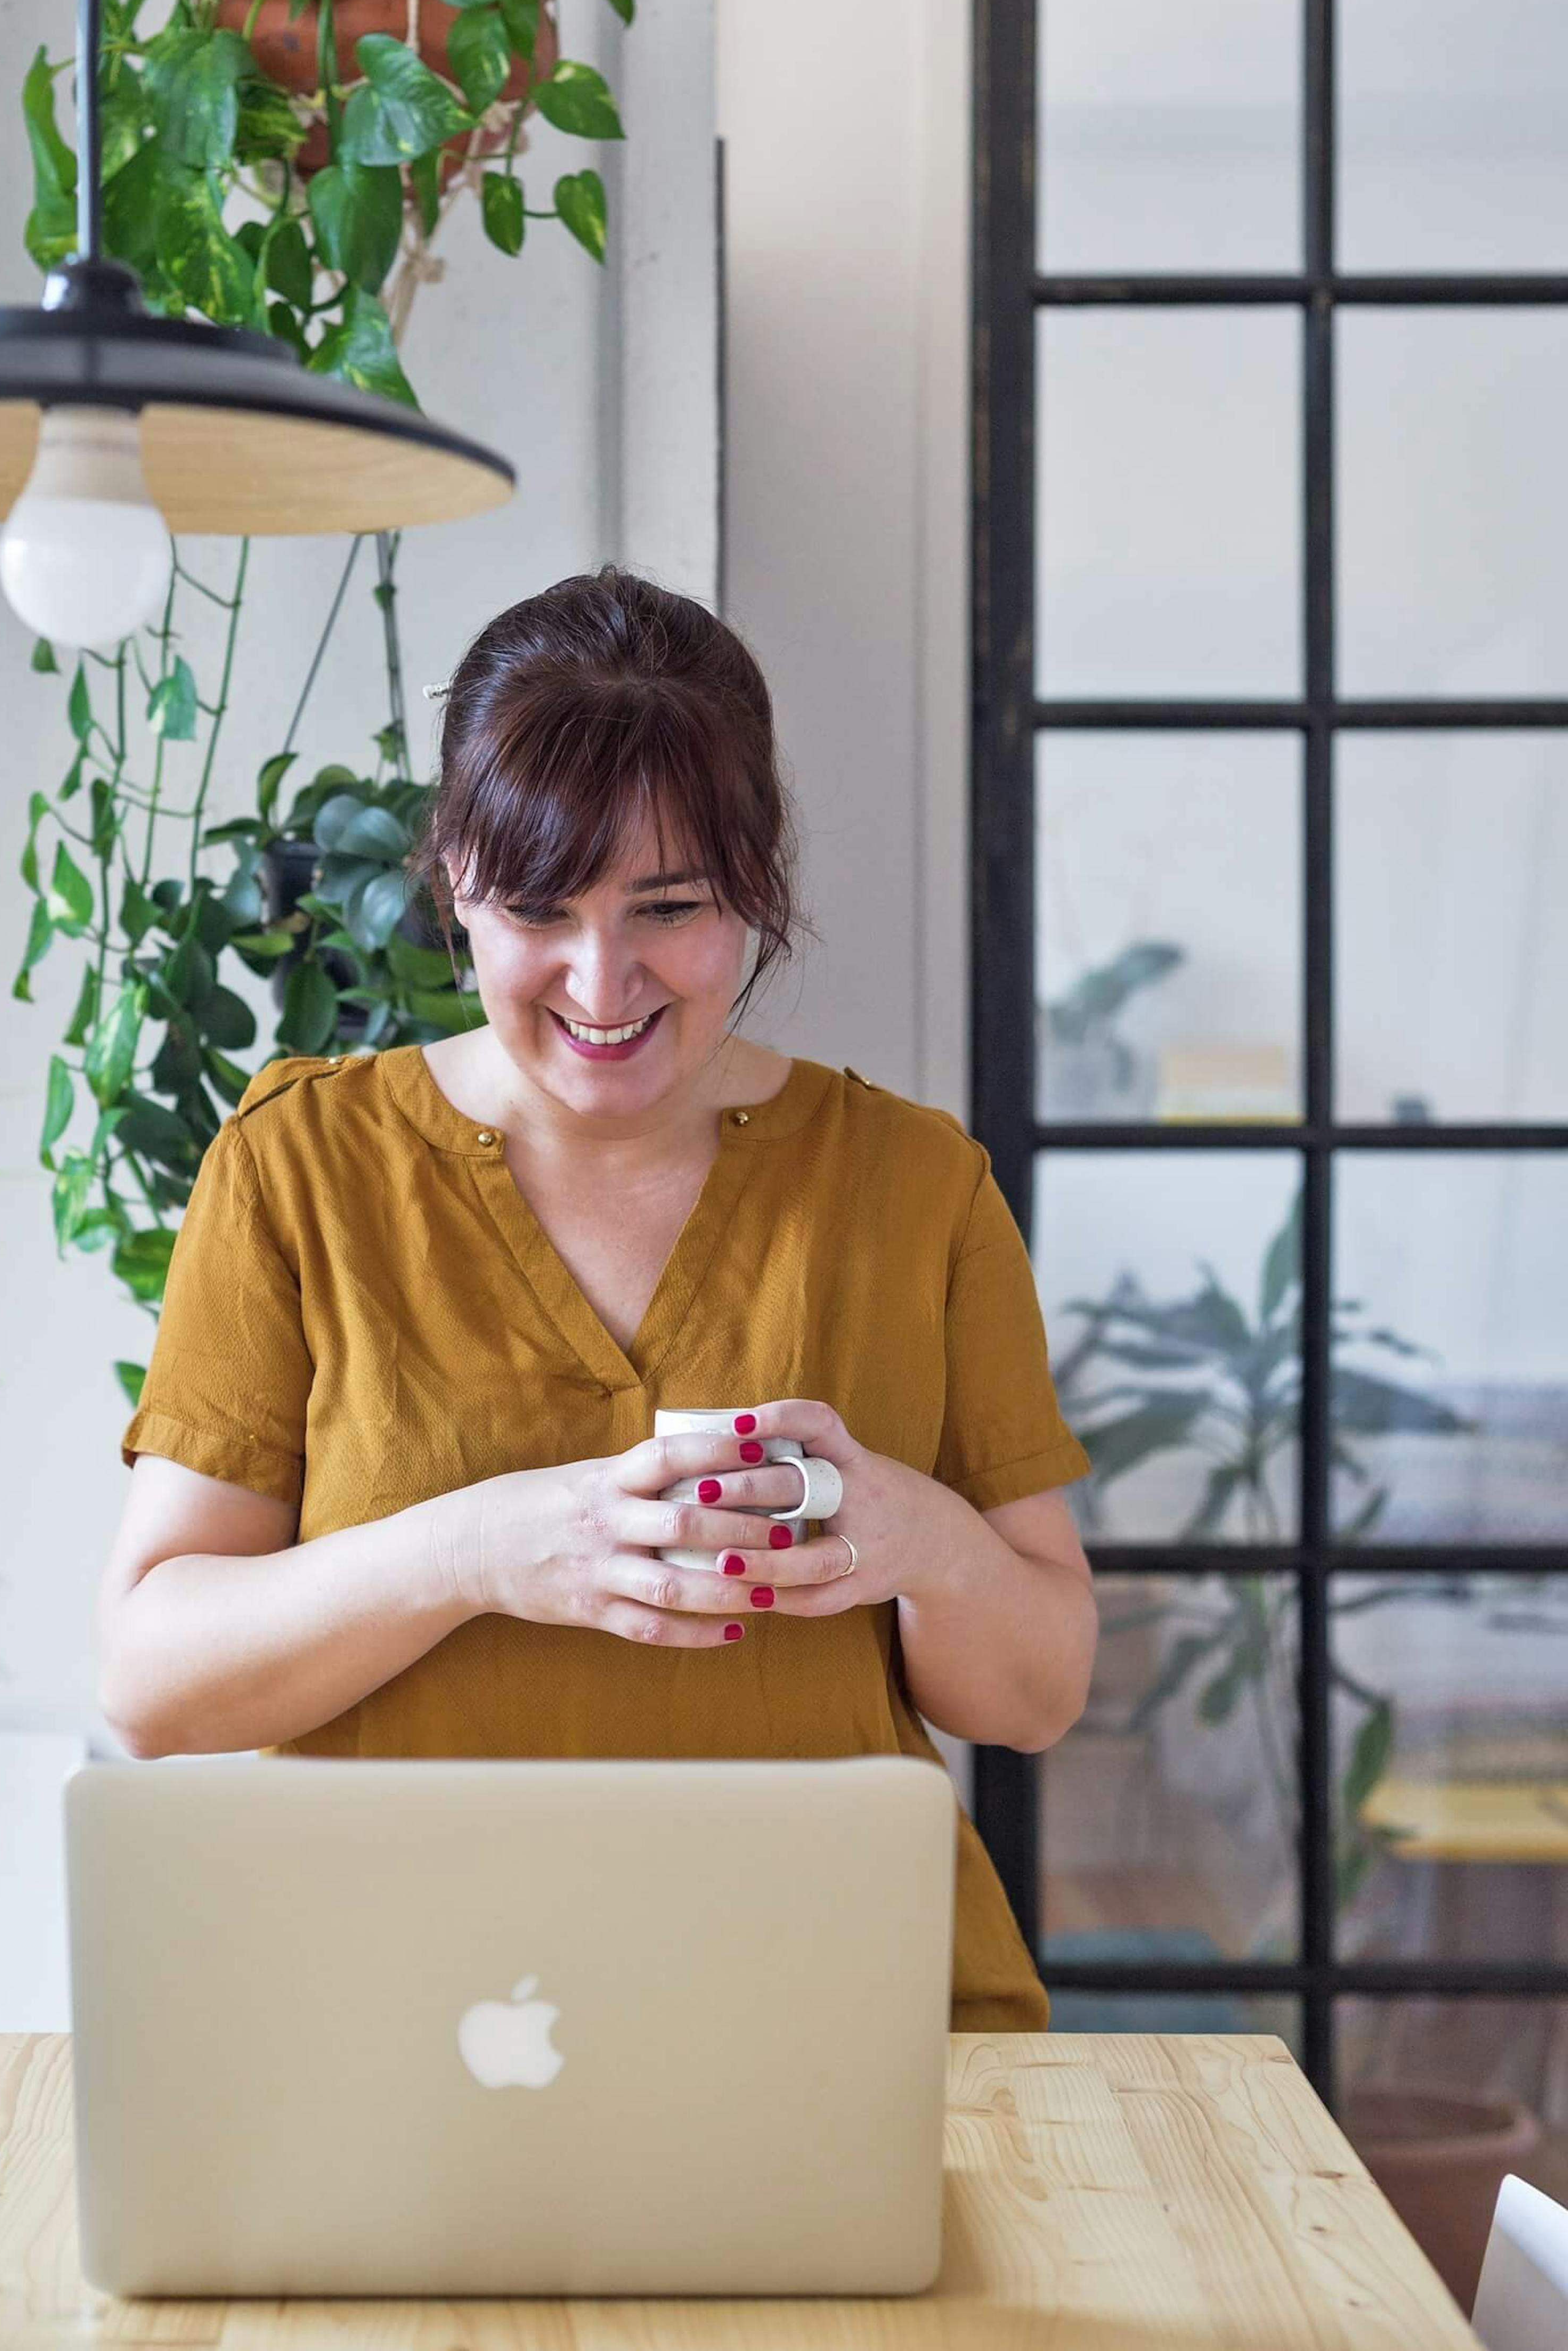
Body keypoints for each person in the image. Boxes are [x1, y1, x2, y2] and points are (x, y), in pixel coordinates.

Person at [100, 566, 1095, 2029]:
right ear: (456, 882)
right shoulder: (300, 1168)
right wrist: (479, 1551)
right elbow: (151, 1682)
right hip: (391, 2027)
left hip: (846, 2024)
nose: (602, 978)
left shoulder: (915, 1186)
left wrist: (918, 1539)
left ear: (758, 883)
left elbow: (1036, 1695)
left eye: (670, 906)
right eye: (538, 909)